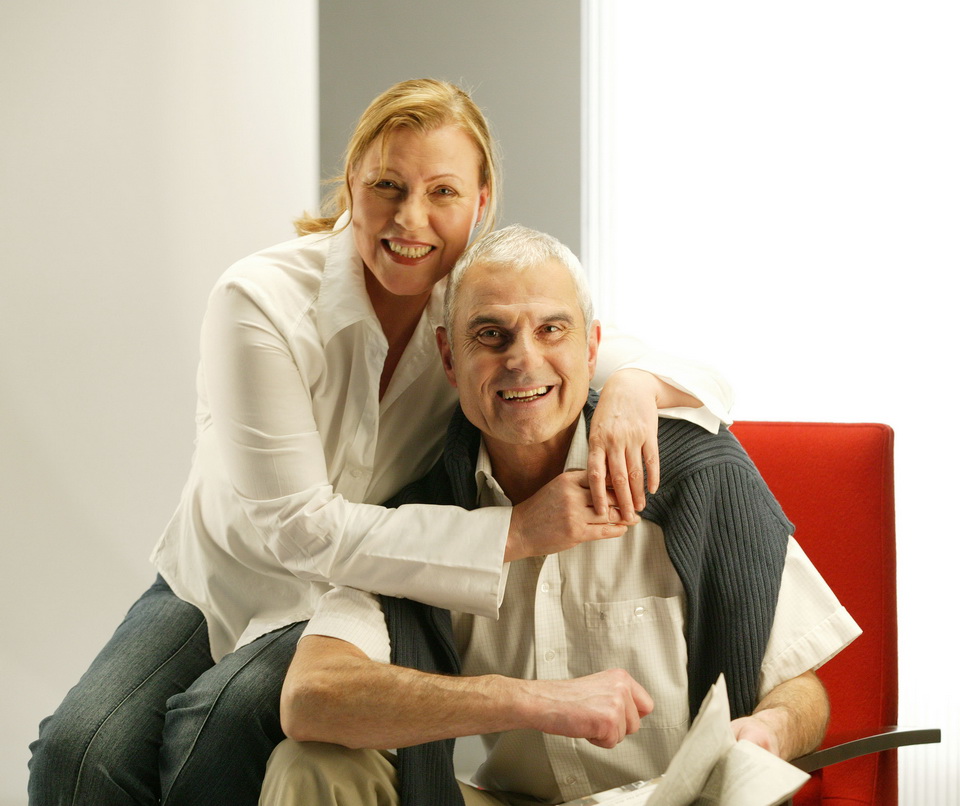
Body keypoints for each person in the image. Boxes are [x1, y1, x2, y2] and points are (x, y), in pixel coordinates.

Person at [27, 80, 734, 806]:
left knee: (222, 722)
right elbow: (298, 532)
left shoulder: (478, 314)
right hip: (224, 576)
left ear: (481, 202)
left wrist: (633, 389)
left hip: (356, 596)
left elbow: (676, 371)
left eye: (442, 192)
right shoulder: (260, 300)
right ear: (351, 187)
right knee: (78, 756)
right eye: (387, 186)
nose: (410, 218)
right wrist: (516, 532)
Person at [260, 225, 861, 806]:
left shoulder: (699, 476)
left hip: (677, 803)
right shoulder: (420, 515)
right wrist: (528, 700)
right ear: (448, 357)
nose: (523, 360)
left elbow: (799, 686)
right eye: (490, 335)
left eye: (551, 329)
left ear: (592, 347)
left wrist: (770, 731)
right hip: (511, 799)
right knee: (312, 763)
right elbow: (310, 697)